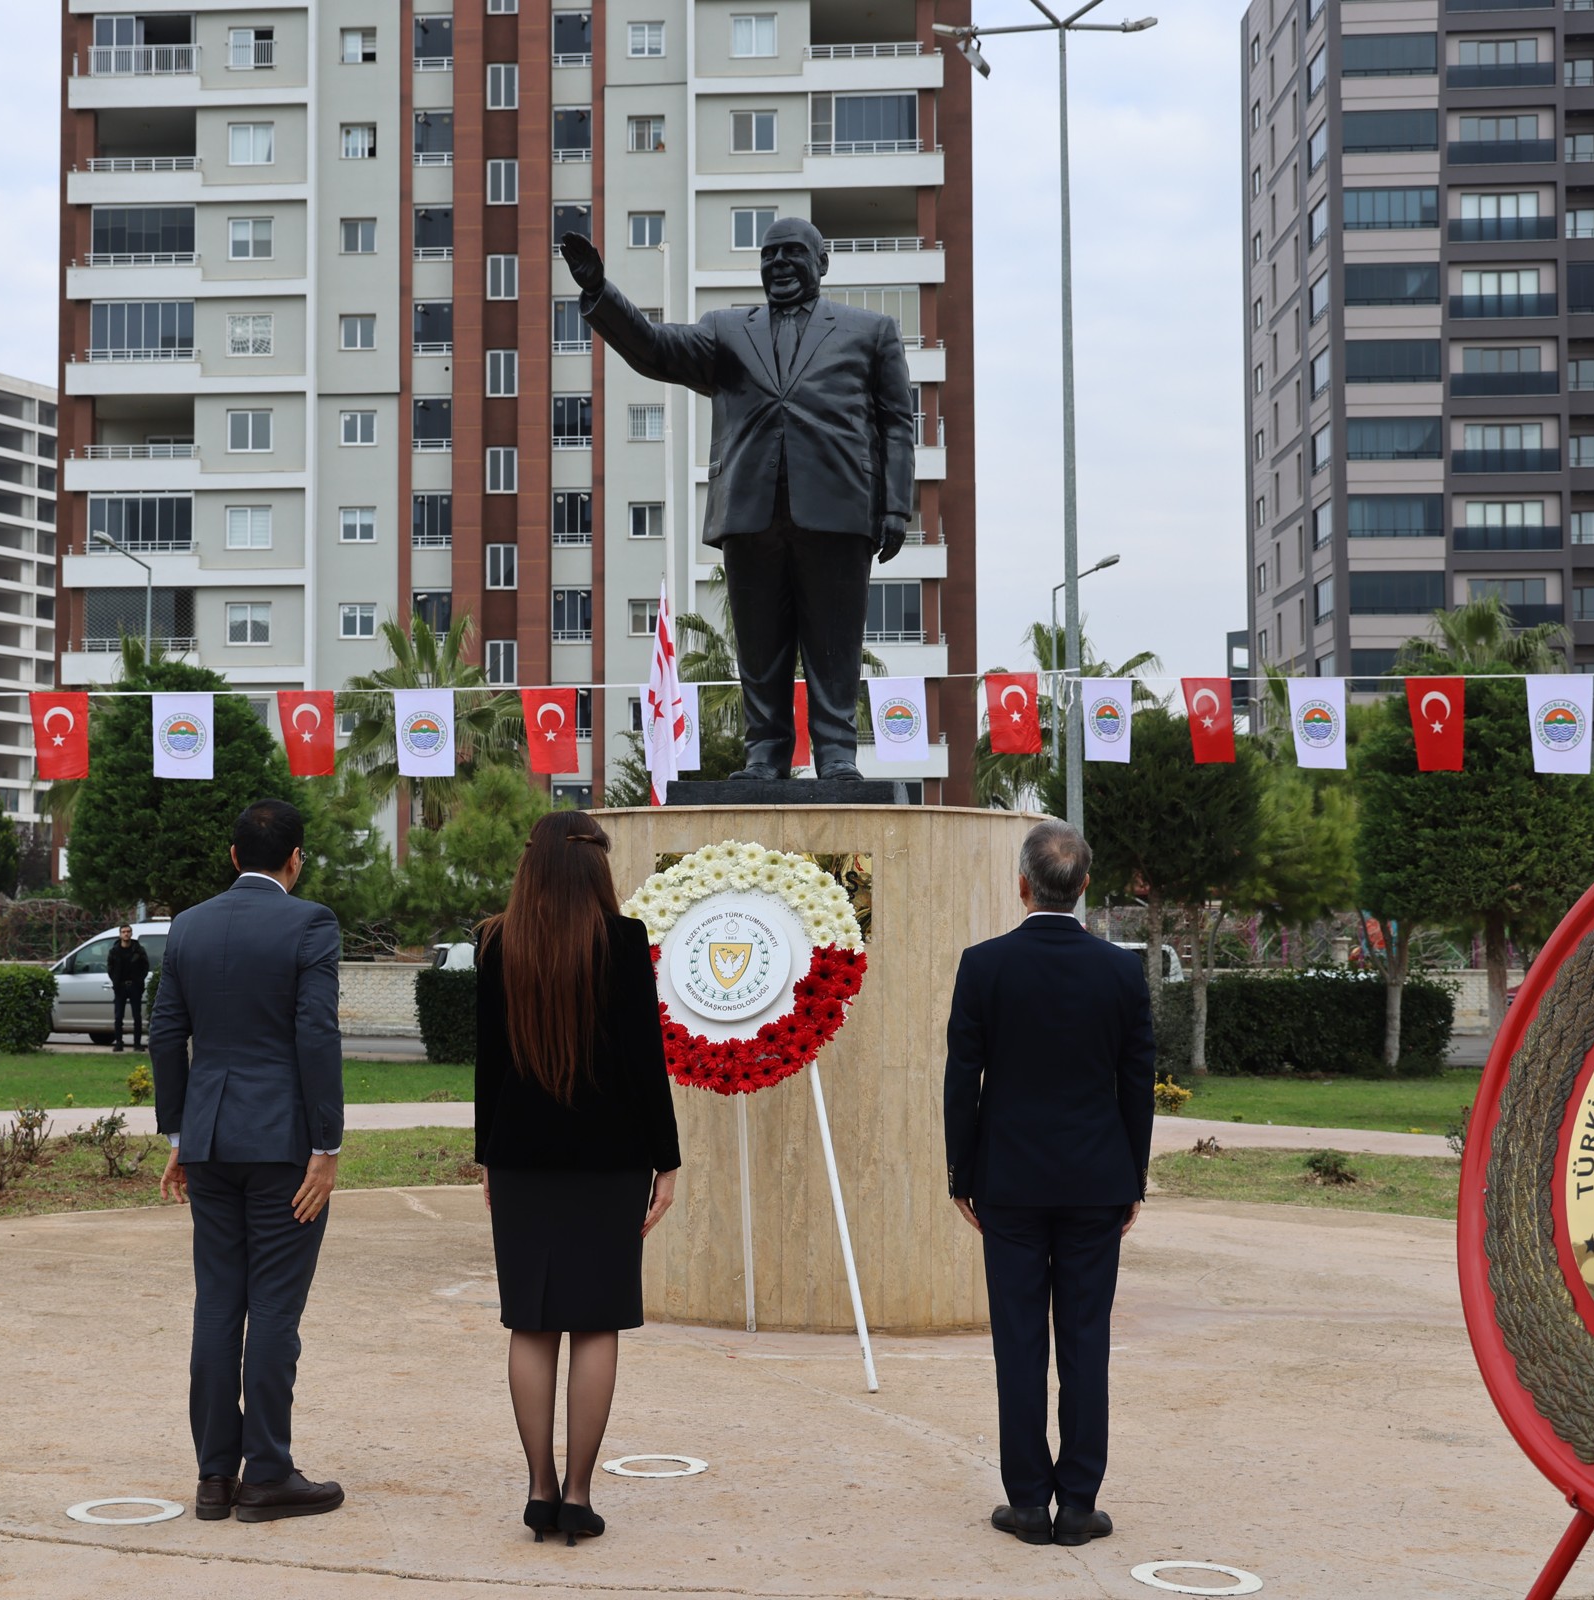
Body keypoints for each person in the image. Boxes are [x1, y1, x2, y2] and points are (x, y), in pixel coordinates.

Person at [560, 218, 916, 781]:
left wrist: (895, 505)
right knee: (759, 646)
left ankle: (837, 757)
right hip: (750, 513)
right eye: (769, 254)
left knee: (833, 644)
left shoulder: (870, 331)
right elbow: (656, 349)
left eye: (792, 253)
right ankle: (764, 756)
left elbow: (898, 424)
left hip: (839, 510)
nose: (779, 263)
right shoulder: (727, 331)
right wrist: (600, 293)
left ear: (821, 263)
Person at [942, 821, 1155, 1548]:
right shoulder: (1122, 972)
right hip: (1098, 1179)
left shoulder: (984, 965)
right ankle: (1080, 1503)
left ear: (1023, 884)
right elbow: (1136, 1086)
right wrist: (1134, 1179)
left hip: (1008, 1182)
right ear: (1085, 884)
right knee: (1086, 1341)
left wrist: (960, 1174)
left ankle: (1027, 1502)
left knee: (1021, 1344)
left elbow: (961, 1080)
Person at [475, 811, 681, 1547]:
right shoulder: (622, 943)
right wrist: (668, 1160)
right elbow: (643, 1063)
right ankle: (580, 1494)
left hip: (522, 1154)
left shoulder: (496, 942)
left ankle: (537, 1489)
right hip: (610, 1156)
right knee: (596, 1319)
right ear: (594, 867)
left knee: (530, 1320)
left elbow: (489, 1065)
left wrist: (487, 1154)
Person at [151, 800, 346, 1525]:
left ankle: (212, 1478)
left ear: (234, 856)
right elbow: (316, 1035)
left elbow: (167, 1036)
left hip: (209, 1143)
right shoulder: (310, 923)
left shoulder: (190, 925)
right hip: (283, 1145)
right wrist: (326, 1146)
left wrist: (178, 1135)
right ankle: (266, 1474)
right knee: (272, 1307)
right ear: (295, 857)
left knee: (218, 1302)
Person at [107, 924, 151, 1052]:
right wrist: (115, 982)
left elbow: (145, 966)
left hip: (135, 987)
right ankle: (119, 1043)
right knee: (118, 1016)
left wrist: (139, 980)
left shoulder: (138, 950)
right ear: (120, 934)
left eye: (128, 931)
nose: (126, 934)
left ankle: (137, 1044)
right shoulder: (114, 951)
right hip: (120, 987)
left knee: (137, 1016)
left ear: (131, 934)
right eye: (123, 932)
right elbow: (110, 968)